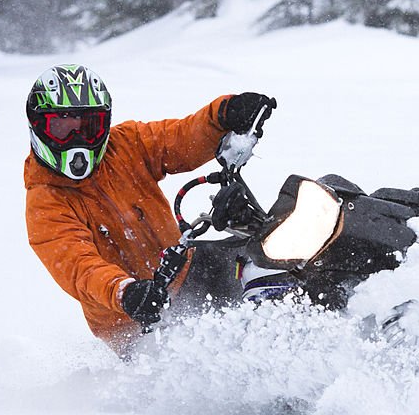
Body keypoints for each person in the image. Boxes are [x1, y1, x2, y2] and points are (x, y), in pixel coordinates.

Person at [23, 63, 276, 355]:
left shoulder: (126, 144)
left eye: (89, 127)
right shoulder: (46, 202)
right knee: (206, 361)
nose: (77, 140)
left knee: (268, 257)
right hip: (134, 319)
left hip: (182, 267)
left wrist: (223, 114)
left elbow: (181, 139)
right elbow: (79, 267)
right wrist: (125, 291)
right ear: (39, 126)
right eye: (63, 127)